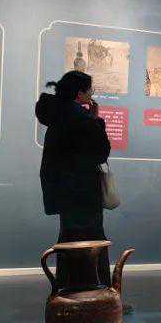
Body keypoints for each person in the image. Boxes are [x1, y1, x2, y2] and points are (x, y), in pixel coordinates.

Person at [35, 70, 111, 283]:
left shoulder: (58, 116)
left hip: (64, 192)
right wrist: (96, 121)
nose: (92, 93)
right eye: (89, 90)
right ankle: (94, 288)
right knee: (91, 240)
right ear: (79, 93)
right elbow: (101, 152)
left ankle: (67, 286)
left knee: (69, 239)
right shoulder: (80, 118)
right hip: (83, 192)